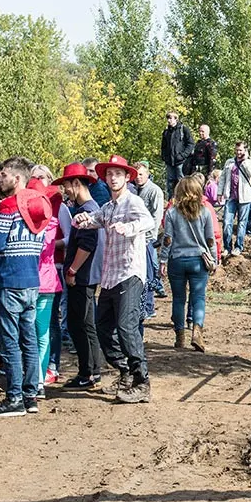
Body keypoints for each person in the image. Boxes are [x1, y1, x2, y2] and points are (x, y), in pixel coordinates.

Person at [72, 155, 153, 404]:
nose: (113, 178)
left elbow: (148, 220)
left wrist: (129, 228)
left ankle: (142, 382)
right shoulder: (108, 207)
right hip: (110, 276)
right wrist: (81, 220)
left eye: (118, 174)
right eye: (109, 174)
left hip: (130, 273)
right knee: (103, 328)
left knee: (126, 327)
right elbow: (95, 220)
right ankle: (125, 371)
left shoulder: (133, 202)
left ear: (127, 177)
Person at [0, 157, 53, 418]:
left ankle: (13, 397)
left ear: (17, 178)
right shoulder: (40, 204)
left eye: (3, 174)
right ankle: (30, 394)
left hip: (9, 280)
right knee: (30, 339)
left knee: (9, 341)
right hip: (32, 280)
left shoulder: (8, 206)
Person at [54, 163, 104, 389]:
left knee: (78, 325)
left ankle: (86, 373)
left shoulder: (86, 211)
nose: (65, 191)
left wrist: (72, 270)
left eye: (66, 186)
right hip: (88, 276)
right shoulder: (91, 208)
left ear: (76, 184)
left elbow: (87, 244)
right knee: (86, 324)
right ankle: (93, 371)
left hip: (82, 277)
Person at [159, 175, 216, 352]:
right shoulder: (205, 212)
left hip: (177, 259)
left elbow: (168, 239)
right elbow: (210, 239)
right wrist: (214, 259)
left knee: (178, 299)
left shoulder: (172, 213)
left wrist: (163, 260)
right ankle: (197, 331)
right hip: (198, 260)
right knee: (198, 298)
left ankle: (180, 336)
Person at [24, 177, 63, 398]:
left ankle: (35, 379)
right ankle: (36, 380)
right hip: (44, 281)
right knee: (40, 333)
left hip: (34, 282)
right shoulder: (52, 223)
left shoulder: (44, 224)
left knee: (35, 333)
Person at [135, 162, 167, 311]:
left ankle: (149, 306)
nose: (138, 177)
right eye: (136, 175)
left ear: (147, 174)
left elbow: (156, 216)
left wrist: (151, 237)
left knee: (150, 269)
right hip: (137, 237)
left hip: (148, 238)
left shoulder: (154, 191)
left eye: (141, 174)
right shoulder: (135, 190)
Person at [219, 142, 251, 256]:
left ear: (245, 151)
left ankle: (238, 247)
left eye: (240, 150)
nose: (238, 152)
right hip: (231, 197)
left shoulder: (249, 162)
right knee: (227, 222)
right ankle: (227, 247)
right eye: (237, 150)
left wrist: (244, 161)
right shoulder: (229, 162)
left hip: (244, 198)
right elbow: (222, 177)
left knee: (242, 223)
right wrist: (220, 192)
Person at [160, 111, 195, 197]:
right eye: (168, 118)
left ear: (176, 119)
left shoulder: (183, 129)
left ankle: (183, 199)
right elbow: (163, 146)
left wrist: (183, 155)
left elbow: (191, 144)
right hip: (169, 162)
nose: (169, 120)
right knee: (170, 183)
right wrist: (164, 157)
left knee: (182, 182)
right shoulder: (166, 132)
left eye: (170, 118)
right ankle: (171, 200)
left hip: (181, 162)